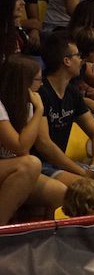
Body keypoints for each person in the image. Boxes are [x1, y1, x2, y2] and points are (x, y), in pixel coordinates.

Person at [32, 33, 94, 208]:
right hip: (43, 166)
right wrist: (81, 172)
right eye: (78, 55)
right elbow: (45, 146)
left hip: (66, 165)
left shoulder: (72, 92)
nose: (82, 60)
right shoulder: (41, 93)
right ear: (66, 61)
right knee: (90, 192)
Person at [0, 55, 68, 221]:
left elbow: (23, 152)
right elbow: (20, 146)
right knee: (32, 163)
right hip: (6, 166)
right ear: (24, 82)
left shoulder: (26, 105)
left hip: (11, 168)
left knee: (60, 192)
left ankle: (41, 236)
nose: (42, 84)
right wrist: (40, 111)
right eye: (38, 79)